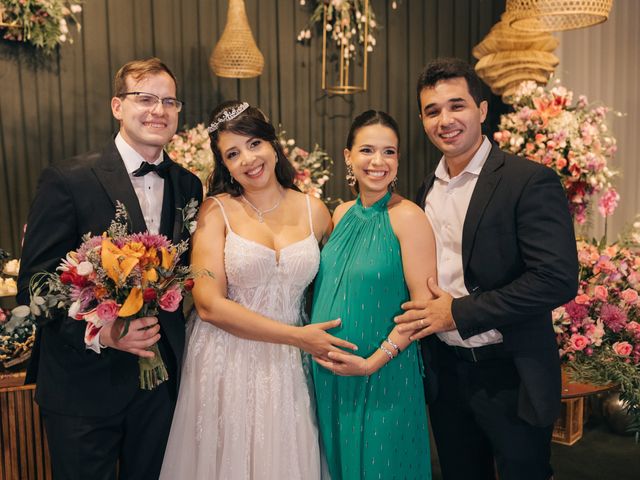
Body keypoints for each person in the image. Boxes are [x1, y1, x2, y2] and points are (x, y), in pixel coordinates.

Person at [16, 58, 203, 479]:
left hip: (159, 388)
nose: (159, 109)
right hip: (83, 387)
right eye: (145, 98)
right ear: (117, 106)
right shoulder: (68, 179)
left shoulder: (189, 184)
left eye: (169, 101)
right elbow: (35, 287)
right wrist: (105, 330)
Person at [394, 58, 579, 480]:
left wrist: (458, 312)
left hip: (510, 371)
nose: (445, 119)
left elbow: (556, 278)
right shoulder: (424, 191)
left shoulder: (528, 180)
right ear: (423, 121)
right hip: (447, 373)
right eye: (432, 110)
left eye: (456, 105)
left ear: (481, 110)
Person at [159, 101, 356, 480]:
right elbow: (209, 305)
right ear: (224, 165)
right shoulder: (215, 211)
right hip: (227, 357)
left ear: (272, 143)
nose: (248, 159)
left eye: (253, 144)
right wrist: (298, 337)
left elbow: (339, 283)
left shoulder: (315, 211)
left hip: (291, 364)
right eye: (233, 154)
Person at [310, 110, 435, 479]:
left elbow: (423, 310)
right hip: (331, 376)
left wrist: (371, 363)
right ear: (348, 156)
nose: (378, 162)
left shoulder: (409, 217)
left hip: (384, 374)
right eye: (367, 150)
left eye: (389, 152)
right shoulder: (340, 213)